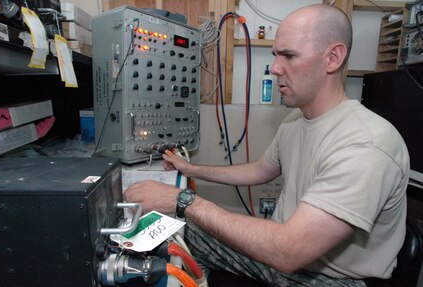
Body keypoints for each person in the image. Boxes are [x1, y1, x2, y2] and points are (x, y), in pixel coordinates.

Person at [124, 4, 410, 286]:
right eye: (275, 55)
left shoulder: (366, 145)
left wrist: (182, 200)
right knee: (183, 233)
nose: (274, 68)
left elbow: (289, 251)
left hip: (334, 279)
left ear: (332, 58)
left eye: (288, 56)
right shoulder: (296, 121)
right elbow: (258, 171)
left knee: (188, 221)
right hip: (289, 260)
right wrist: (191, 168)